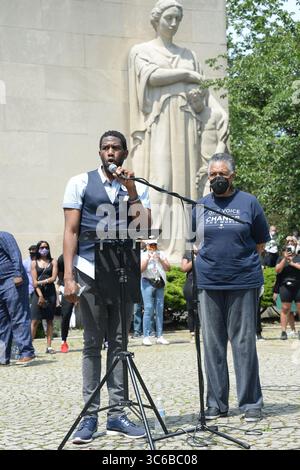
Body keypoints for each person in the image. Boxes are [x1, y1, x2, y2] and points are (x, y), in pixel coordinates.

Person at [62, 130, 151, 444]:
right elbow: (71, 231)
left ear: (125, 153)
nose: (110, 152)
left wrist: (132, 190)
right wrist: (69, 276)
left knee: (119, 344)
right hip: (89, 270)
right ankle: (89, 417)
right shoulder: (80, 182)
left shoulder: (135, 186)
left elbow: (143, 229)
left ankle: (117, 415)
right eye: (105, 148)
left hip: (123, 271)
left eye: (116, 148)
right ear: (99, 152)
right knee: (91, 344)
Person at [128, 0, 228, 259]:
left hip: (186, 124)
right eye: (168, 18)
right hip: (159, 122)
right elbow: (150, 77)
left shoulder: (189, 54)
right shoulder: (142, 51)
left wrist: (217, 115)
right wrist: (186, 75)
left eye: (177, 19)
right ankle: (154, 246)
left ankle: (184, 247)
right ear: (156, 20)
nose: (173, 24)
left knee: (185, 187)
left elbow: (205, 96)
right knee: (159, 180)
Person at [192, 153, 270, 423]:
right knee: (212, 345)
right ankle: (216, 404)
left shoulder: (249, 203)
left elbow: (261, 242)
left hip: (243, 281)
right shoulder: (199, 206)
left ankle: (250, 403)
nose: (216, 178)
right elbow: (195, 241)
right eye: (212, 174)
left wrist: (238, 260)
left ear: (232, 176)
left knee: (244, 343)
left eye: (221, 174)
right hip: (209, 282)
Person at [0, 231, 35, 365]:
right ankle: (3, 357)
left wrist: (17, 274)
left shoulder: (4, 236)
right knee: (2, 320)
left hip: (12, 280)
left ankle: (26, 352)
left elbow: (15, 253)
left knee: (18, 316)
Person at [141, 240, 170, 346]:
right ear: (147, 246)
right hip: (147, 281)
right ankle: (146, 336)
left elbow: (168, 268)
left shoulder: (161, 254)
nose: (153, 247)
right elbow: (140, 269)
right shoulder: (143, 255)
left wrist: (160, 260)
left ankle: (160, 335)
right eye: (151, 245)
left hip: (159, 282)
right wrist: (148, 258)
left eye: (154, 245)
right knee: (148, 308)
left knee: (160, 309)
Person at [30, 241, 58, 354]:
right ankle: (30, 348)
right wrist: (40, 295)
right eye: (42, 247)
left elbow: (53, 278)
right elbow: (34, 283)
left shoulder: (53, 261)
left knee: (50, 320)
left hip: (50, 293)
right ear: (38, 249)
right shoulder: (33, 263)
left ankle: (49, 346)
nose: (44, 249)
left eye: (46, 247)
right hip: (38, 294)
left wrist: (41, 282)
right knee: (35, 320)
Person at [275, 236, 300, 340]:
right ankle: (283, 331)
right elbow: (277, 270)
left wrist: (292, 263)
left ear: (296, 244)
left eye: (292, 241)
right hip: (285, 286)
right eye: (288, 242)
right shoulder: (281, 258)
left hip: (298, 285)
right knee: (285, 308)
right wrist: (285, 259)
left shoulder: (298, 256)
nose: (290, 243)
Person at [57, 254, 75, 353]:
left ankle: (105, 340)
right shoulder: (62, 258)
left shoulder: (85, 253)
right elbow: (60, 275)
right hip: (68, 287)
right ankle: (64, 341)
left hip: (84, 285)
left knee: (96, 312)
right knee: (66, 314)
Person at [181, 247, 198, 343]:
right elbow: (183, 268)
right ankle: (192, 333)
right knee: (191, 309)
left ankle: (204, 332)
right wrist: (195, 259)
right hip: (191, 283)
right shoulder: (188, 253)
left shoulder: (206, 252)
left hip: (203, 283)